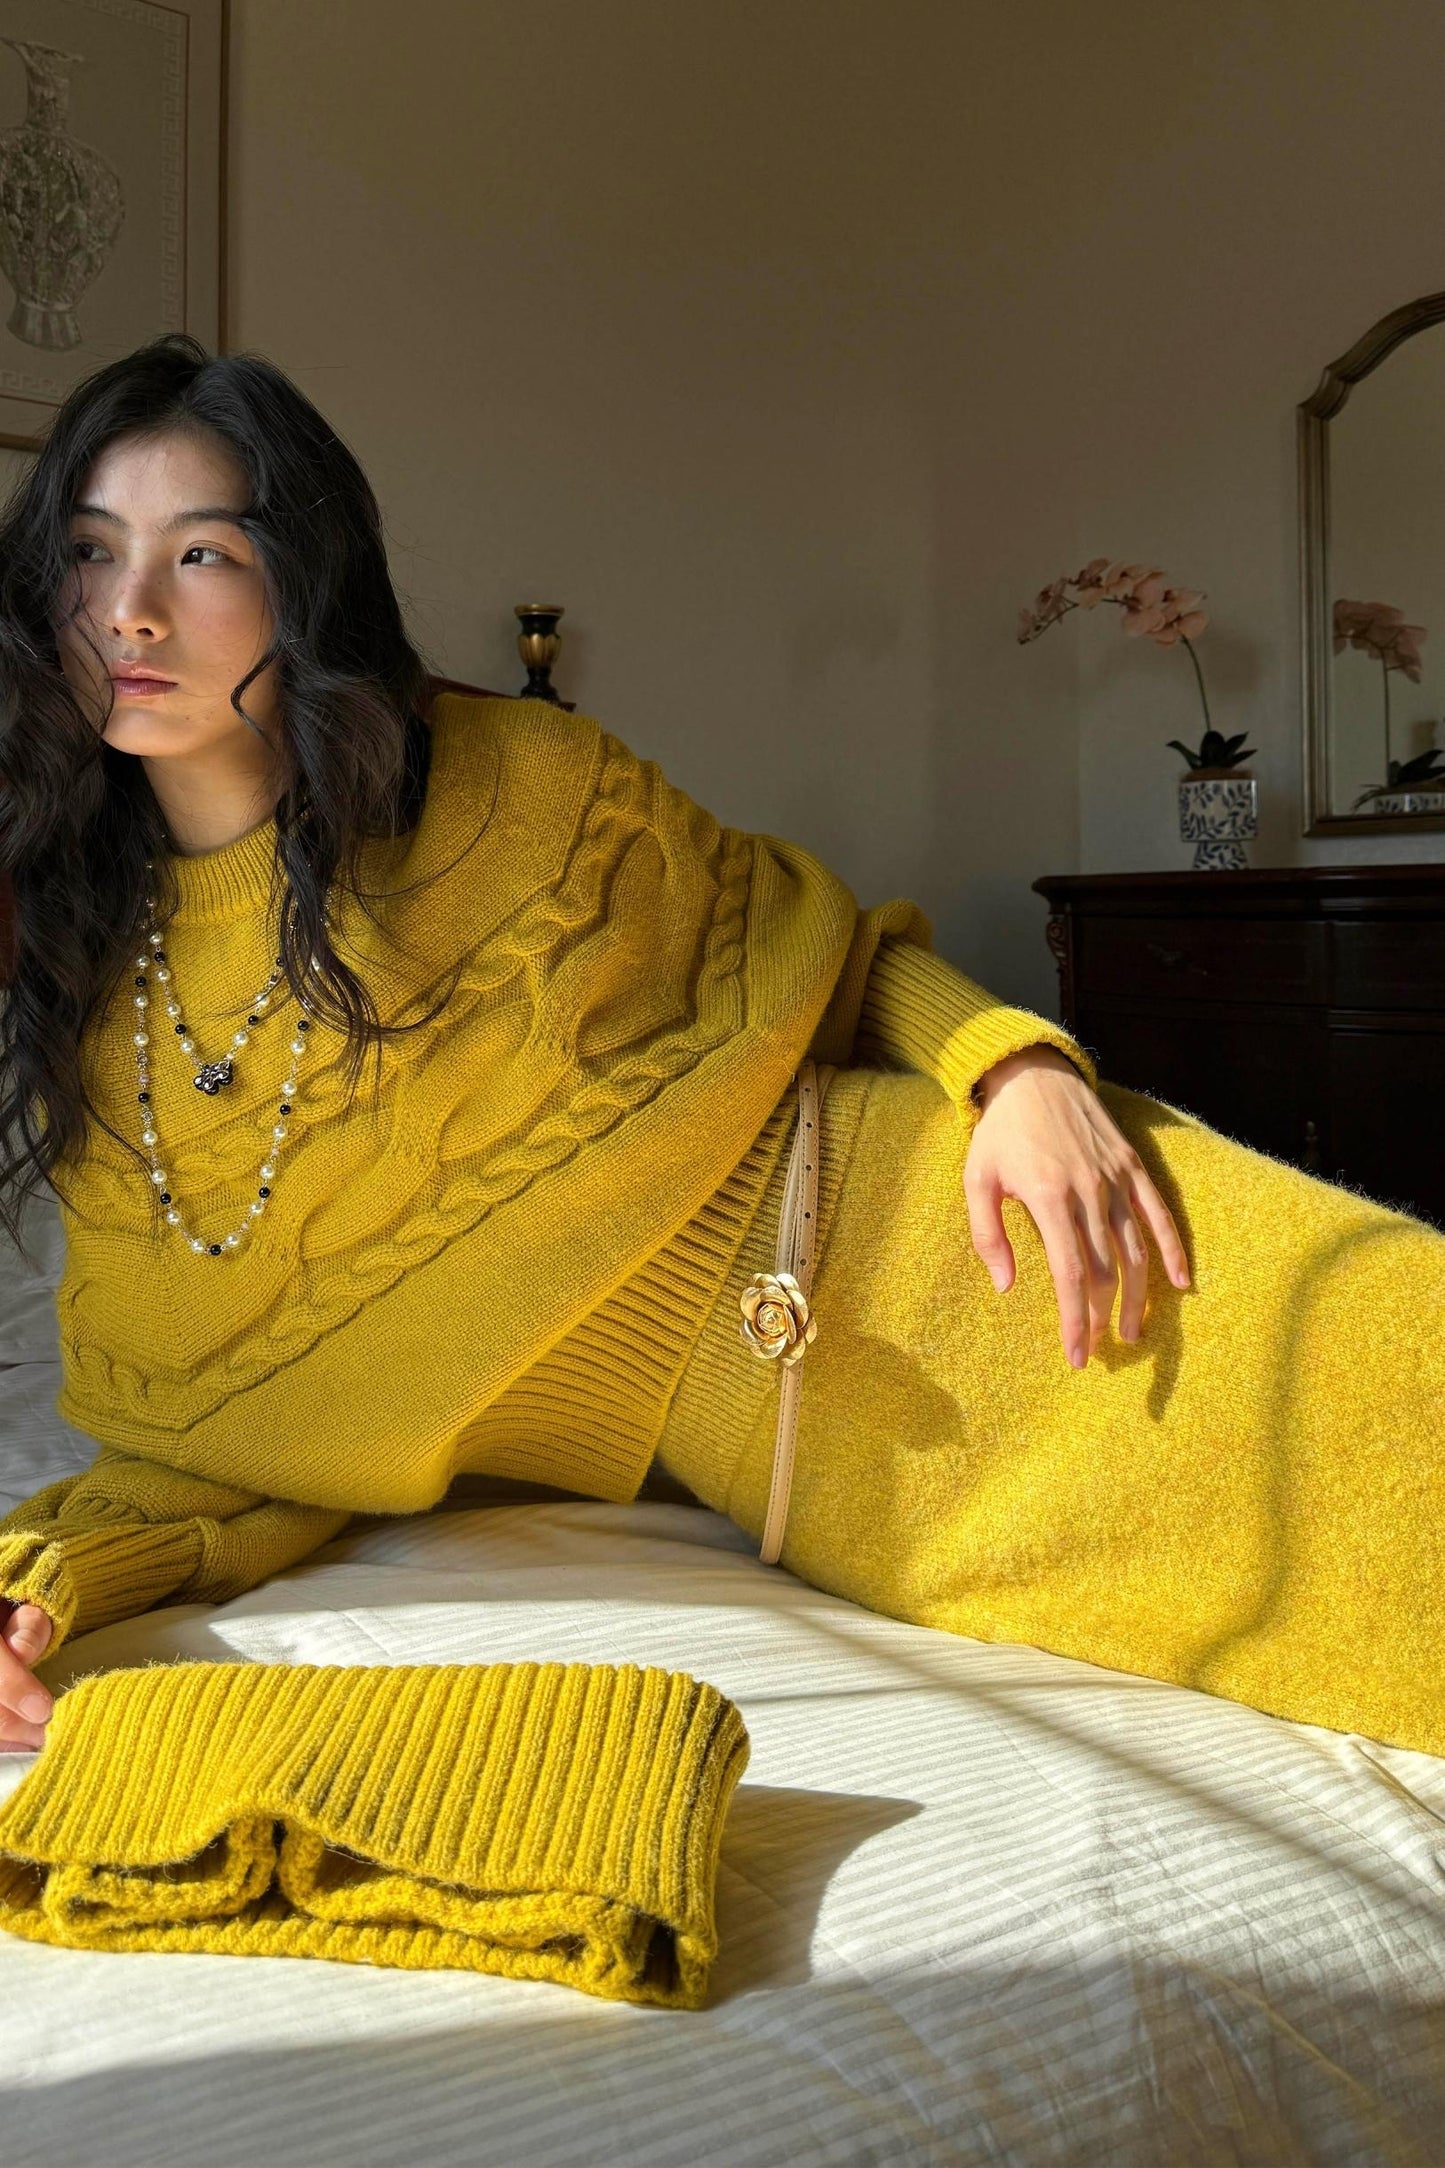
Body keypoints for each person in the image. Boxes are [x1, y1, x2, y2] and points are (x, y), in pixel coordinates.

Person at [0, 335, 1440, 1768]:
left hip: (990, 1215)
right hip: (859, 1468)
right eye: (90, 552)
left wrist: (1019, 1068)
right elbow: (222, 1440)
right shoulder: (91, 994)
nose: (130, 612)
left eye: (201, 554)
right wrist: (37, 1589)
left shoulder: (518, 785)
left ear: (302, 583)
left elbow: (831, 954)